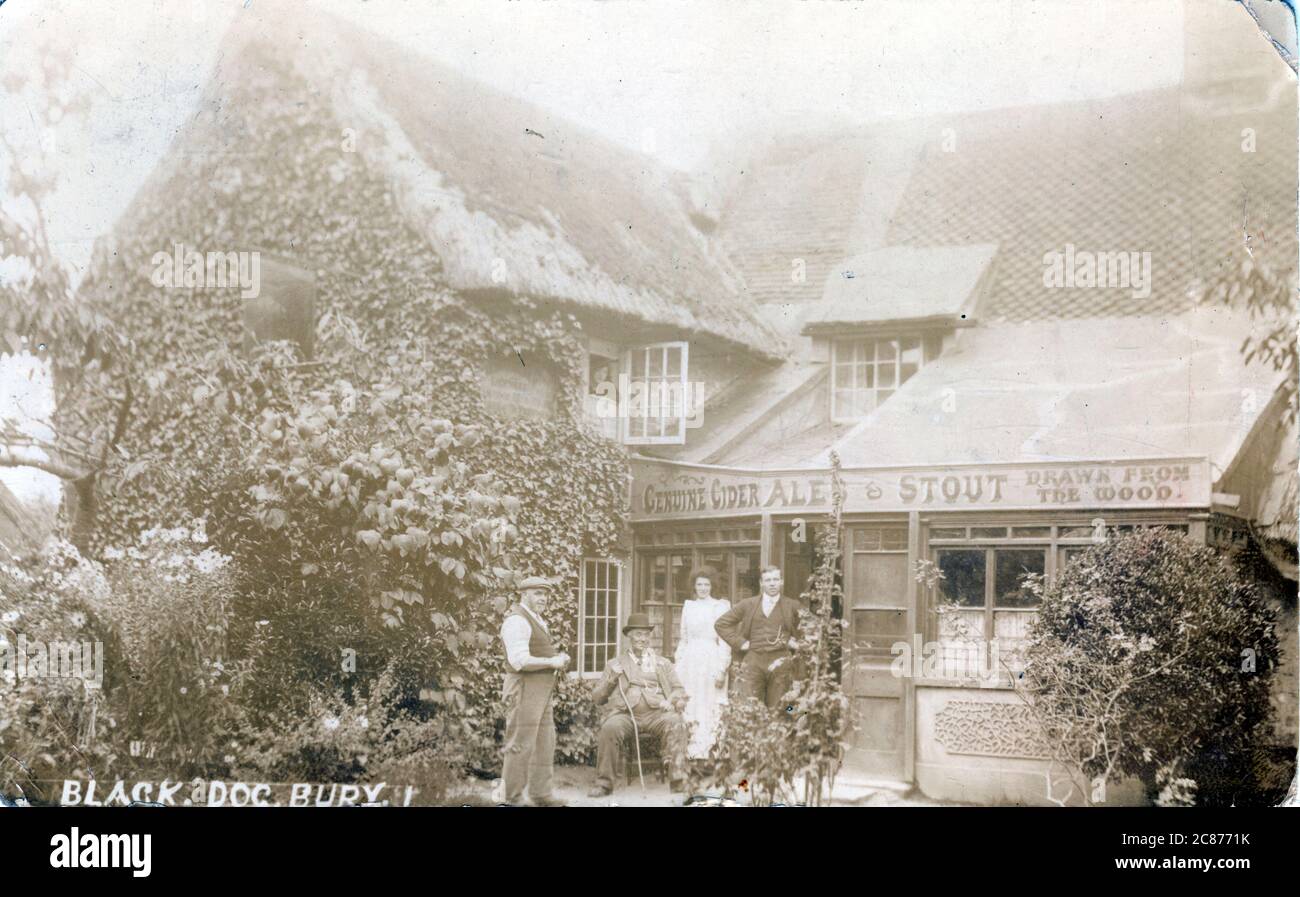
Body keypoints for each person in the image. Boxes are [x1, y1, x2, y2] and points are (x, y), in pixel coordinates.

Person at [587, 613, 689, 797]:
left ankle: (678, 779)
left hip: (657, 714)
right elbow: (597, 698)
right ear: (629, 637)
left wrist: (670, 701)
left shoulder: (662, 663)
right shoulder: (615, 664)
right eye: (638, 634)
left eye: (645, 635)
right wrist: (612, 679)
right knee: (610, 728)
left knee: (676, 721)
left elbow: (679, 689)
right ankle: (604, 783)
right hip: (626, 714)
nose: (642, 639)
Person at [497, 575, 570, 807]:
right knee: (520, 742)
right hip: (524, 688)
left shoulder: (536, 619)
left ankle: (541, 794)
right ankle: (511, 798)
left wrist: (556, 659)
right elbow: (519, 661)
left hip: (542, 690)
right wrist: (553, 662)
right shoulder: (516, 621)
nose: (544, 598)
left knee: (544, 742)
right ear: (524, 594)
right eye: (538, 593)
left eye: (546, 594)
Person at [714, 565, 803, 710]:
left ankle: (778, 731)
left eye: (776, 579)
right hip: (753, 661)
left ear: (782, 581)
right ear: (761, 583)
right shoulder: (748, 604)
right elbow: (721, 624)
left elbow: (812, 630)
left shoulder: (792, 606)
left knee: (781, 707)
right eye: (768, 580)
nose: (772, 583)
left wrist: (796, 643)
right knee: (750, 705)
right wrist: (741, 643)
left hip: (781, 663)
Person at [673, 567, 731, 759]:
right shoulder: (689, 606)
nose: (703, 588)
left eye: (707, 584)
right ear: (694, 586)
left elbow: (724, 641)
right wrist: (678, 662)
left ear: (712, 586)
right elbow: (684, 638)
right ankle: (690, 751)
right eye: (699, 584)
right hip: (690, 661)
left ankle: (710, 751)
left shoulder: (720, 606)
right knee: (691, 701)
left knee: (710, 701)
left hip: (711, 659)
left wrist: (722, 668)